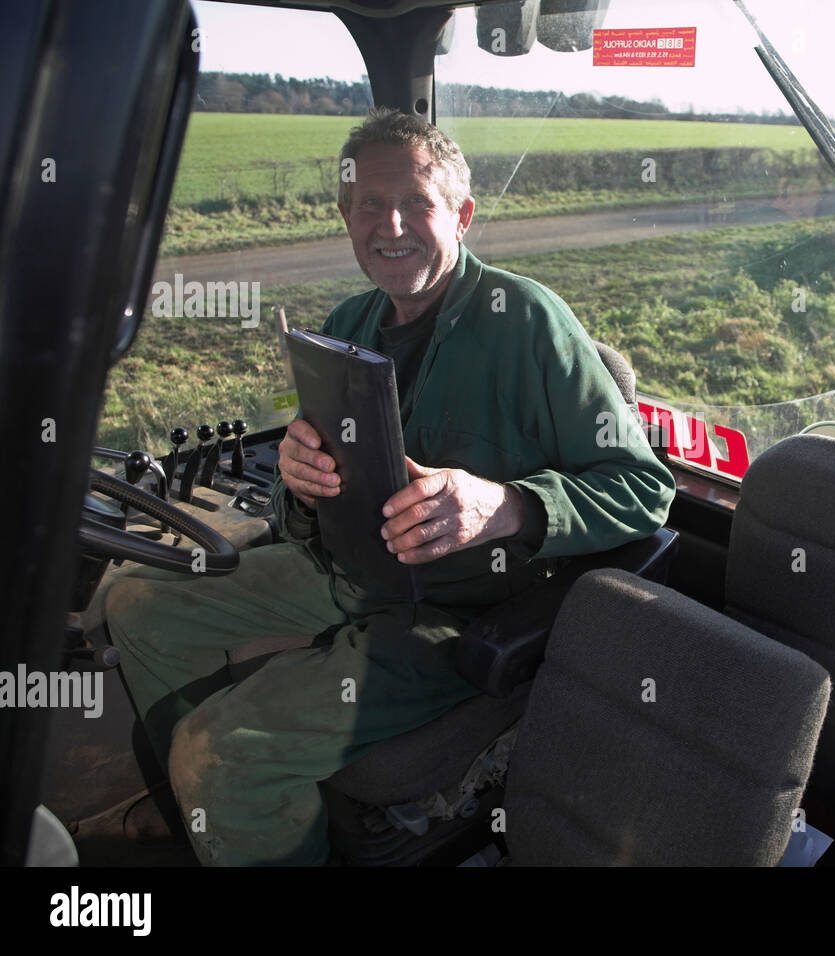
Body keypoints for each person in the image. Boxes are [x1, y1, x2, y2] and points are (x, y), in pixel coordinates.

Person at [103, 108, 675, 865]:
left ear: (462, 216)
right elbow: (299, 498)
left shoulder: (530, 323)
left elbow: (643, 489)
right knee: (136, 602)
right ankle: (217, 811)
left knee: (221, 750)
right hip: (341, 570)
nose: (391, 224)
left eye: (417, 203)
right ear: (346, 216)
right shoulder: (347, 324)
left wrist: (504, 506)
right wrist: (298, 490)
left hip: (451, 611)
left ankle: (224, 785)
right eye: (370, 203)